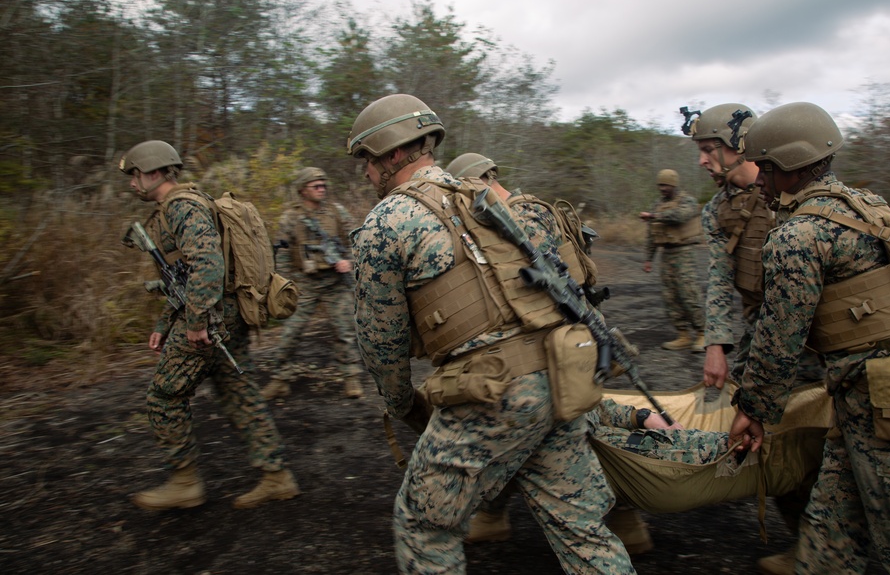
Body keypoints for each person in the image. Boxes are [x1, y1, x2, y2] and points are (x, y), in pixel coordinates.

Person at [348, 94, 635, 574]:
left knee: (423, 524)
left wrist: (401, 403)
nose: (365, 172)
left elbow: (381, 342)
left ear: (393, 153)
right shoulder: (488, 202)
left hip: (495, 391)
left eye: (367, 160)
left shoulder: (386, 223)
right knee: (580, 528)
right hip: (558, 375)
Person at [728, 103, 890, 573]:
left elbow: (780, 340)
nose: (758, 179)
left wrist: (753, 410)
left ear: (789, 167)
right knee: (829, 536)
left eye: (765, 167)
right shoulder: (868, 206)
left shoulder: (797, 236)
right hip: (872, 400)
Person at [446, 152, 653, 554]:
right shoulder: (534, 209)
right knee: (544, 432)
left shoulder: (520, 218)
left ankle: (623, 520)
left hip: (564, 343)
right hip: (572, 339)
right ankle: (492, 516)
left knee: (574, 432)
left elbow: (547, 287)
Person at [117, 140, 299, 510]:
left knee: (164, 396)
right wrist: (165, 322)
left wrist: (195, 321)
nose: (132, 183)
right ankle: (277, 477)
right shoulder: (182, 205)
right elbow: (181, 277)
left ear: (154, 172)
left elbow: (208, 265)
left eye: (135, 175)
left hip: (210, 319)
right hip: (222, 314)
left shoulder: (182, 207)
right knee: (239, 393)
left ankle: (184, 482)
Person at [686, 103, 825, 574]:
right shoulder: (718, 210)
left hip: (816, 342)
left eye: (708, 150)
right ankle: (809, 546)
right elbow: (721, 280)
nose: (702, 161)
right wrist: (717, 345)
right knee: (773, 444)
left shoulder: (794, 197)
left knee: (825, 444)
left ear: (739, 146)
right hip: (764, 337)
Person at [261, 167, 363, 401]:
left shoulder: (336, 213)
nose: (321, 189)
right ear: (302, 190)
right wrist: (285, 284)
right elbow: (283, 253)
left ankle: (351, 375)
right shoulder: (291, 218)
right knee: (291, 331)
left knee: (345, 330)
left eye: (323, 185)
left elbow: (357, 240)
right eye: (315, 186)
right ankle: (280, 378)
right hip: (305, 283)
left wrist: (349, 261)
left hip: (334, 283)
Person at [640, 169, 705, 352]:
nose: (662, 189)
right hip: (666, 254)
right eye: (660, 185)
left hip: (683, 253)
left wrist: (654, 216)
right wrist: (648, 259)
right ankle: (683, 334)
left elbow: (680, 216)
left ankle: (702, 333)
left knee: (689, 293)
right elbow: (652, 235)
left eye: (666, 185)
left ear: (674, 184)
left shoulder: (687, 201)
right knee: (671, 297)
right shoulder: (658, 205)